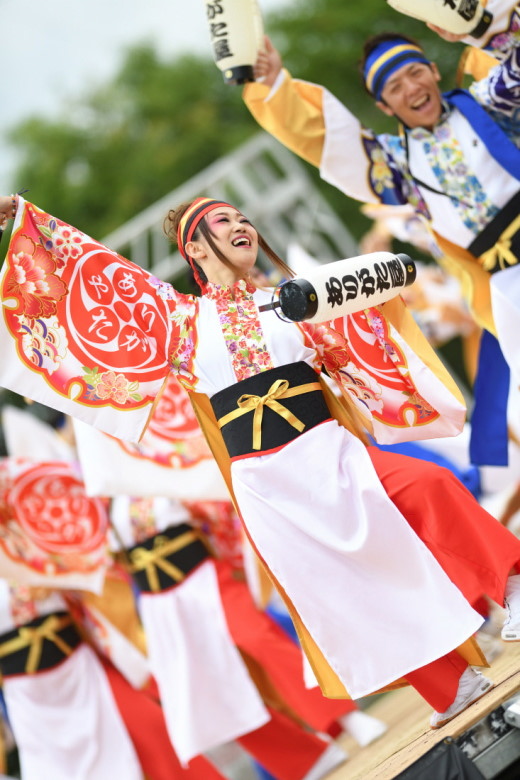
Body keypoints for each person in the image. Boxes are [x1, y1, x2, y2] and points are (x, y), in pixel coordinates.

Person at [1, 195, 520, 732]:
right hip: (264, 483)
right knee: (343, 588)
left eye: (244, 217)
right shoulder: (180, 321)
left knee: (426, 483)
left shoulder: (293, 300)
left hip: (327, 450)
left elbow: (362, 343)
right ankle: (451, 686)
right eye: (224, 222)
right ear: (196, 249)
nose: (242, 225)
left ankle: (513, 582)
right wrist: (24, 216)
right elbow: (97, 270)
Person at [242, 2, 520, 464]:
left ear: (434, 70)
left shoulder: (491, 101)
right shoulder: (394, 166)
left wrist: (480, 26)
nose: (411, 87)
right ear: (382, 104)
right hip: (508, 279)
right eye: (395, 85)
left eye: (416, 73)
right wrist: (274, 84)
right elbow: (329, 141)